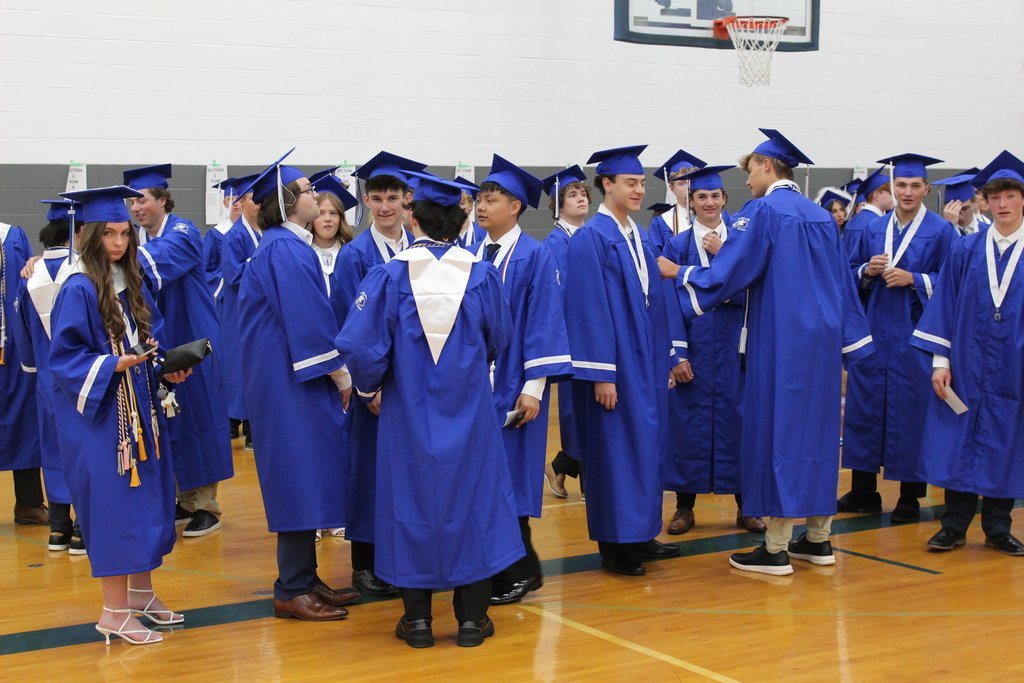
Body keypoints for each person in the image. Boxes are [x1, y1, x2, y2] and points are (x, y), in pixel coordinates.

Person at [658, 129, 874, 576]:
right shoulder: (819, 216)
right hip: (822, 345)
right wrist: (853, 340)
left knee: (777, 436)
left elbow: (732, 271)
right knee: (815, 435)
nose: (746, 183)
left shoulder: (765, 211)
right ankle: (818, 538)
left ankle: (775, 547)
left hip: (781, 342)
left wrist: (679, 272)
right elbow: (842, 284)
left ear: (765, 166)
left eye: (749, 171)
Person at [336, 171, 523, 648]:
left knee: (411, 505)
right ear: (461, 221)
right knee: (473, 505)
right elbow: (500, 340)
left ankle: (417, 620)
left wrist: (368, 388)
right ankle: (470, 619)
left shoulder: (388, 274)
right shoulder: (480, 274)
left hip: (408, 417)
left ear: (411, 216)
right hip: (471, 415)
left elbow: (358, 344)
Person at [50, 185, 189, 645]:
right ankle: (112, 612)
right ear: (89, 235)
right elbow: (66, 360)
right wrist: (114, 365)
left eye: (124, 234)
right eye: (107, 234)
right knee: (116, 510)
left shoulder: (130, 281)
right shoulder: (78, 287)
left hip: (139, 411)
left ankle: (141, 594)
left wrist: (168, 366)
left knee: (148, 502)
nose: (117, 243)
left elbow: (152, 339)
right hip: (102, 420)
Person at [237, 152, 358, 621]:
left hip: (287, 380)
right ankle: (291, 587)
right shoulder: (286, 250)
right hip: (290, 384)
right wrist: (343, 375)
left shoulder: (282, 246)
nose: (315, 196)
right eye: (308, 191)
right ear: (288, 202)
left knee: (308, 474)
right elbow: (309, 325)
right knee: (297, 477)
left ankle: (305, 577)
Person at [564, 145, 680, 577]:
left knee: (646, 446)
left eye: (641, 182)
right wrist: (601, 374)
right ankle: (615, 545)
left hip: (646, 358)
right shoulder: (591, 239)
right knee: (615, 451)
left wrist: (667, 357)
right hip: (615, 362)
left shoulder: (639, 234)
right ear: (606, 184)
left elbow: (657, 299)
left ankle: (641, 532)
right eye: (629, 182)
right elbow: (587, 310)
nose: (638, 189)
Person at [911, 150, 1024, 556]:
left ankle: (998, 527)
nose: (1003, 204)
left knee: (1007, 442)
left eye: (1010, 196)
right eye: (994, 198)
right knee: (960, 439)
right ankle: (953, 526)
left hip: (1014, 365)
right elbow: (944, 304)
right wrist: (940, 362)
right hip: (967, 363)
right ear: (984, 202)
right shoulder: (965, 250)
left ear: (1022, 199)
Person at [473, 156, 572, 605]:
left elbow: (544, 323)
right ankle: (506, 564)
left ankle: (521, 568)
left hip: (514, 383)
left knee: (511, 477)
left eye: (490, 199)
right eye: (478, 198)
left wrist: (533, 388)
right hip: (476, 386)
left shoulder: (535, 256)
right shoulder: (474, 251)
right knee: (484, 477)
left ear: (514, 206)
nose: (481, 206)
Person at [840, 154, 958, 522]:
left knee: (912, 411)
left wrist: (916, 279)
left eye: (914, 186)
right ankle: (863, 491)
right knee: (864, 406)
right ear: (891, 188)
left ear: (926, 189)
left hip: (916, 333)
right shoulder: (871, 229)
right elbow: (845, 274)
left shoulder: (941, 231)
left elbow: (955, 284)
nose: (907, 192)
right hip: (873, 330)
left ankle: (909, 496)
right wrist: (865, 270)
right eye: (901, 185)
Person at [330, 151, 425, 598]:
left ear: (408, 201)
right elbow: (350, 328)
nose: (386, 207)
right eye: (377, 199)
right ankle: (365, 564)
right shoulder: (355, 256)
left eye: (393, 199)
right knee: (367, 469)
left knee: (410, 471)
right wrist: (365, 385)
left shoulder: (421, 250)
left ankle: (406, 556)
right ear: (366, 201)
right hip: (375, 384)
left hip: (417, 381)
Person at [123, 164, 233, 537]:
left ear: (162, 200)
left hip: (195, 340)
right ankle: (184, 500)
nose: (136, 207)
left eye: (142, 199)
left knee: (201, 417)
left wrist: (93, 263)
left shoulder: (183, 232)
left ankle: (207, 506)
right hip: (161, 342)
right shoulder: (135, 238)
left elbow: (146, 267)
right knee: (173, 419)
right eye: (131, 201)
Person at [660, 164, 765, 535]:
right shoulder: (677, 245)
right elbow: (668, 302)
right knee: (687, 427)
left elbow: (756, 291)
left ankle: (747, 506)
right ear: (690, 202)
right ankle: (684, 508)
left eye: (714, 196)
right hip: (696, 347)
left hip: (735, 347)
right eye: (701, 196)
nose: (708, 202)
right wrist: (677, 355)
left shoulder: (742, 242)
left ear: (725, 200)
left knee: (740, 425)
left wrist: (725, 257)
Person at [13, 200, 85, 553]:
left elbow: (21, 334)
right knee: (85, 451)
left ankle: (58, 528)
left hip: (46, 379)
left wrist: (32, 367)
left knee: (54, 448)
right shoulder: (85, 273)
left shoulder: (30, 277)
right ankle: (84, 531)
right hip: (85, 379)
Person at [540, 165, 591, 498]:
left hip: (594, 335)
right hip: (573, 337)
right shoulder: (553, 244)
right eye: (573, 195)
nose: (581, 199)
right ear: (558, 205)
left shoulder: (591, 235)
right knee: (578, 413)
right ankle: (588, 481)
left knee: (593, 411)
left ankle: (560, 466)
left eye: (584, 194)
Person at [1, 211, 45, 526]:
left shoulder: (11, 236)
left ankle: (28, 504)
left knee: (23, 420)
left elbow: (21, 287)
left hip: (10, 346)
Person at [217, 172, 260, 450]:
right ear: (242, 202)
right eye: (254, 199)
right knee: (238, 368)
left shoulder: (264, 232)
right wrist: (261, 262)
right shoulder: (234, 236)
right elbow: (232, 275)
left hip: (259, 311)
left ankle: (256, 425)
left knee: (258, 367)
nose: (259, 204)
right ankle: (240, 424)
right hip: (237, 311)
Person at [647, 149, 707, 256]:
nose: (688, 187)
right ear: (672, 188)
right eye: (681, 183)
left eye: (691, 182)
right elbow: (656, 260)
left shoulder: (717, 217)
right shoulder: (661, 223)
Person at [308, 169, 358, 292]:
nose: (328, 219)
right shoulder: (303, 253)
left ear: (341, 218)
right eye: (321, 213)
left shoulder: (353, 253)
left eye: (333, 213)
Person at [203, 177, 244, 301]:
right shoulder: (216, 233)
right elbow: (204, 268)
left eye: (239, 198)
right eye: (229, 199)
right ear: (224, 203)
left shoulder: (256, 231)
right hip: (227, 294)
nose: (234, 202)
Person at [842, 167, 893, 254]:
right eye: (890, 193)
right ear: (876, 195)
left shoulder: (855, 220)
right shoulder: (874, 224)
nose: (895, 197)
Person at [932, 168, 983, 236]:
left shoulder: (988, 230)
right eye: (953, 209)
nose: (958, 216)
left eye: (964, 209)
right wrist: (950, 226)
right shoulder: (937, 234)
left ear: (974, 204)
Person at [453, 177, 486, 249]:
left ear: (471, 205)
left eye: (461, 203)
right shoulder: (442, 235)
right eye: (453, 204)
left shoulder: (483, 234)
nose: (457, 208)